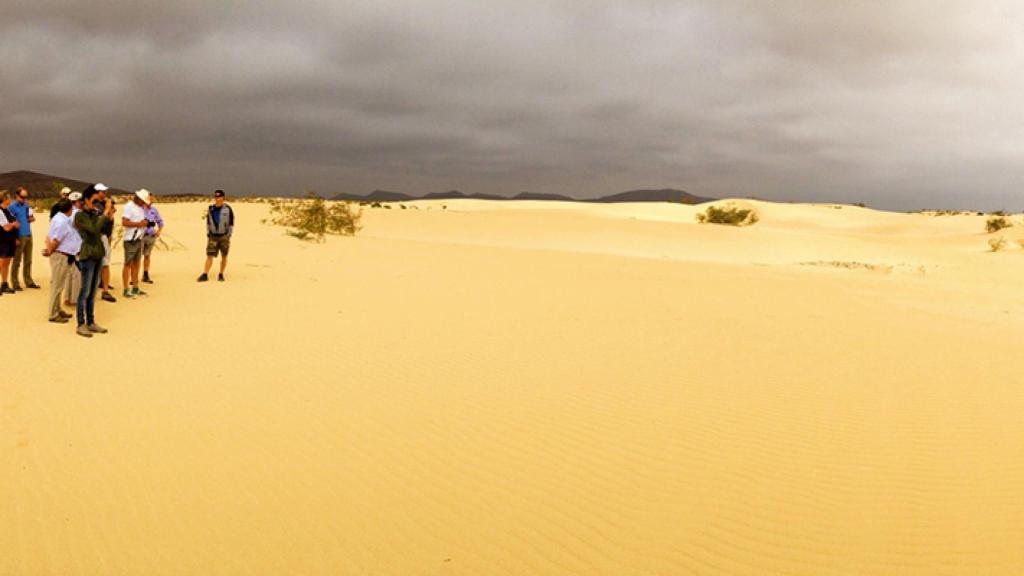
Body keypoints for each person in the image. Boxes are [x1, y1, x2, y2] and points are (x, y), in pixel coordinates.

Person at [72, 184, 113, 337]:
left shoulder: (93, 215)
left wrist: (109, 216)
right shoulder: (80, 216)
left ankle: (91, 322)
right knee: (85, 291)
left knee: (93, 291)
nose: (96, 205)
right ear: (86, 201)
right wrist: (104, 215)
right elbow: (93, 230)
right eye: (94, 201)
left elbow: (104, 231)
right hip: (88, 256)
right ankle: (81, 323)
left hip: (97, 255)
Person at [41, 199, 79, 323]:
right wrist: (50, 250)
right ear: (69, 209)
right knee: (56, 286)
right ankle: (53, 314)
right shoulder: (61, 221)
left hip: (63, 256)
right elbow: (56, 240)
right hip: (60, 256)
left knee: (59, 285)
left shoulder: (59, 218)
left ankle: (57, 309)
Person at [198, 189, 234, 282]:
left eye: (219, 197)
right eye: (216, 197)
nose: (217, 199)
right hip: (213, 236)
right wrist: (208, 233)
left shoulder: (228, 209)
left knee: (224, 255)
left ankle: (221, 273)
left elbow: (231, 223)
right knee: (209, 255)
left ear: (223, 198)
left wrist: (228, 235)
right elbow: (208, 223)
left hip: (224, 236)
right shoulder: (211, 209)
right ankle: (205, 274)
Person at [121, 189, 150, 298]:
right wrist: (138, 224)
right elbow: (124, 222)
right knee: (127, 264)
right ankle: (125, 288)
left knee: (137, 264)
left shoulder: (141, 208)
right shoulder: (129, 206)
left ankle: (135, 287)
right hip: (130, 239)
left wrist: (144, 223)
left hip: (139, 238)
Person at [9, 187, 39, 290]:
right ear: (16, 196)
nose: (24, 199)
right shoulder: (12, 207)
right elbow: (10, 223)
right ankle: (15, 282)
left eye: (26, 197)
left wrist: (31, 218)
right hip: (19, 236)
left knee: (28, 260)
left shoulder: (26, 205)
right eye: (22, 197)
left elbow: (29, 217)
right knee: (17, 261)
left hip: (28, 234)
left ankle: (29, 281)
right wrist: (14, 238)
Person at [64, 192, 84, 307]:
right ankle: (75, 299)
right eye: (80, 201)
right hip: (76, 246)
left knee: (69, 273)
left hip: (67, 246)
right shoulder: (77, 213)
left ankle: (67, 297)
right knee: (77, 273)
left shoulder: (65, 214)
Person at [0, 191, 20, 294]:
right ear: (4, 199)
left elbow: (15, 223)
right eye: (9, 197)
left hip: (10, 240)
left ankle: (4, 284)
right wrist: (13, 224)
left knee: (6, 263)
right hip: (3, 241)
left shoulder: (7, 210)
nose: (10, 199)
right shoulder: (0, 211)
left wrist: (13, 225)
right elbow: (6, 227)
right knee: (2, 263)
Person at [141, 192, 164, 284]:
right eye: (148, 199)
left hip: (151, 236)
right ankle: (132, 277)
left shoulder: (154, 210)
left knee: (147, 255)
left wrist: (159, 231)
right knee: (136, 257)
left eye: (151, 199)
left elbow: (160, 221)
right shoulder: (139, 209)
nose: (150, 201)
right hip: (141, 236)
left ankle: (145, 274)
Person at [99, 198, 117, 302]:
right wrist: (107, 210)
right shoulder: (103, 217)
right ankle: (104, 289)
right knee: (105, 265)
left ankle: (103, 285)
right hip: (102, 239)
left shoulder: (109, 218)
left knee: (105, 264)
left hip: (106, 239)